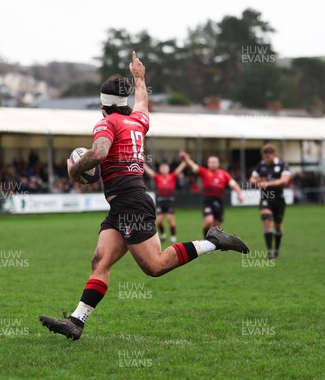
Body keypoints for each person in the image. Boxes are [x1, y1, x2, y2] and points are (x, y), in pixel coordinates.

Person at [39, 52, 249, 340]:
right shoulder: (138, 122)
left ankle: (214, 241)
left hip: (130, 203)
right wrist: (139, 77)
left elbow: (99, 153)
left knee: (154, 266)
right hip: (122, 205)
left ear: (102, 104)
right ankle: (76, 321)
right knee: (100, 261)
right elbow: (142, 103)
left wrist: (75, 170)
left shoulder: (106, 123)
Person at [179, 151, 244, 236]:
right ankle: (205, 238)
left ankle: (211, 242)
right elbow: (193, 165)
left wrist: (239, 193)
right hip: (207, 200)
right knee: (209, 221)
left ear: (218, 163)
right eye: (211, 162)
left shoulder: (224, 174)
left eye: (215, 162)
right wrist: (185, 158)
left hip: (219, 201)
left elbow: (233, 184)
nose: (213, 164)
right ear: (208, 163)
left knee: (215, 227)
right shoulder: (204, 172)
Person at [249, 144, 291, 259]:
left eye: (268, 156)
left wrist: (268, 183)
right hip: (265, 198)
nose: (266, 159)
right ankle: (270, 251)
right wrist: (257, 180)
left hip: (279, 199)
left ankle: (276, 249)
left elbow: (284, 181)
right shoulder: (260, 166)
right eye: (264, 157)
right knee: (267, 219)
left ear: (273, 155)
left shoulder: (282, 165)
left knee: (278, 227)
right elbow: (251, 179)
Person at [143, 161, 187, 243]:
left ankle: (173, 236)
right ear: (160, 169)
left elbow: (179, 169)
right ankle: (163, 234)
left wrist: (185, 161)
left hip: (170, 201)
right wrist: (143, 163)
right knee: (159, 221)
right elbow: (149, 171)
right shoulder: (157, 177)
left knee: (170, 220)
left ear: (168, 169)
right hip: (161, 201)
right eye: (162, 168)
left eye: (165, 167)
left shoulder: (172, 176)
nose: (164, 169)